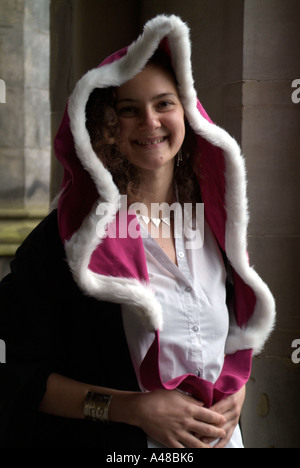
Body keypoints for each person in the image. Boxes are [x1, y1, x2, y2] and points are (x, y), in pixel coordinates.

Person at [0, 15, 275, 448]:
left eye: (164, 103)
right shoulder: (67, 239)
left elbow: (214, 339)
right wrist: (129, 407)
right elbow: (17, 373)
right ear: (107, 127)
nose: (150, 122)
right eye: (129, 110)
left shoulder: (216, 224)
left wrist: (236, 387)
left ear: (187, 112)